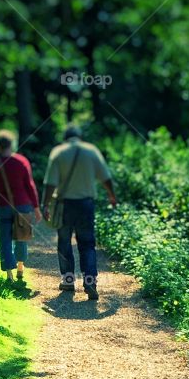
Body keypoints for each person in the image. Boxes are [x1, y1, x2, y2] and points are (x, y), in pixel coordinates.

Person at [42, 124, 117, 300]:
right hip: (86, 205)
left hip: (64, 205)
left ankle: (68, 280)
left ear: (65, 138)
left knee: (64, 241)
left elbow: (50, 183)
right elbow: (106, 177)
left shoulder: (58, 152)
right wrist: (112, 196)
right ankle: (90, 281)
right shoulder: (91, 151)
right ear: (80, 137)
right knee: (87, 243)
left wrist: (45, 204)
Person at [0, 130, 42, 282]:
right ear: (12, 144)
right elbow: (30, 186)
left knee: (5, 239)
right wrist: (36, 208)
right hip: (22, 205)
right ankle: (20, 267)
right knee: (22, 236)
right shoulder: (21, 161)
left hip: (3, 206)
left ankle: (9, 275)